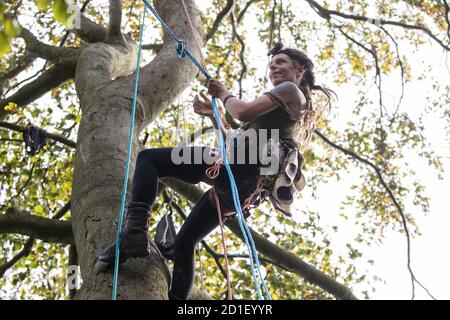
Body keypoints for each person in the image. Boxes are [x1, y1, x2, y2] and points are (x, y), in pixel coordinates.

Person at [97, 43, 334, 300]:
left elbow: (241, 112)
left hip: (240, 170)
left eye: (281, 63)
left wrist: (223, 93)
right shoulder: (277, 113)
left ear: (299, 69)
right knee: (185, 242)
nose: (274, 67)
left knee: (149, 159)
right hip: (239, 187)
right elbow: (234, 139)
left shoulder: (290, 91)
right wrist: (215, 117)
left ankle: (134, 231)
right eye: (272, 64)